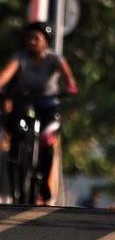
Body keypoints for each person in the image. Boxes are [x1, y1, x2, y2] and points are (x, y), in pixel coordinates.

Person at [0, 21, 78, 204]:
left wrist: (70, 88)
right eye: (29, 38)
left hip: (49, 103)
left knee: (47, 141)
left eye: (36, 38)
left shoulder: (54, 59)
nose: (32, 42)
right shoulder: (20, 57)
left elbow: (69, 79)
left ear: (45, 42)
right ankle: (16, 162)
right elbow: (5, 76)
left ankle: (43, 188)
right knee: (14, 127)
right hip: (25, 101)